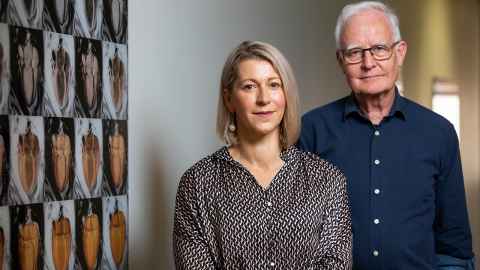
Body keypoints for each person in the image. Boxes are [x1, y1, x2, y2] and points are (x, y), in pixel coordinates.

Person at [297, 2, 475, 270]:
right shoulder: (311, 131)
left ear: (399, 53)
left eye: (379, 49)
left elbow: (454, 246)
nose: (368, 63)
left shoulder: (439, 133)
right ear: (341, 61)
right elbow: (297, 235)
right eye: (355, 52)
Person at [173, 41, 352, 269]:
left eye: (274, 85)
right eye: (249, 86)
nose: (264, 98)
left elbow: (336, 265)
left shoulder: (327, 180)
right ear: (229, 99)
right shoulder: (198, 183)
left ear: (286, 94)